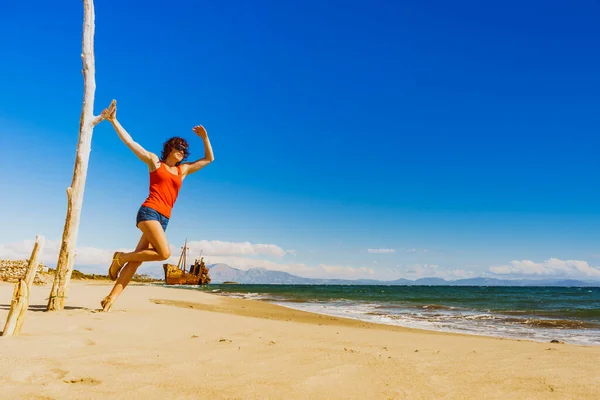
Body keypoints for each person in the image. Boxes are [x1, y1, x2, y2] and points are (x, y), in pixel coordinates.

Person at [99, 101, 215, 312]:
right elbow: (131, 143)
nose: (182, 151)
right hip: (149, 211)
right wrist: (114, 121)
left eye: (185, 150)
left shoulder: (183, 171)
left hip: (164, 219)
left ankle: (110, 299)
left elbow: (209, 158)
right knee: (164, 254)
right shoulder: (155, 162)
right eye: (179, 147)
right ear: (170, 148)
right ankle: (120, 256)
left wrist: (205, 138)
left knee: (137, 261)